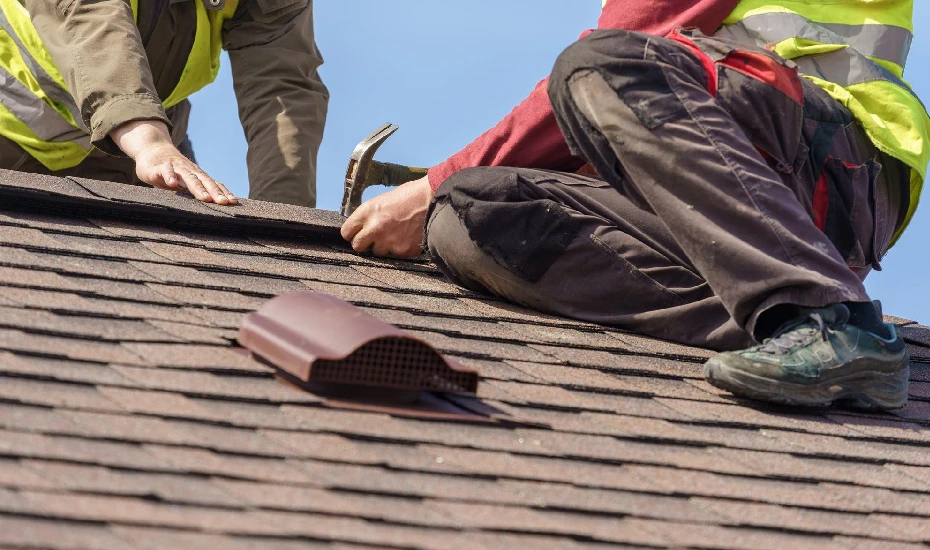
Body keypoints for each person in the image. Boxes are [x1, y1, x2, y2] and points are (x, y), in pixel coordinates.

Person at [342, 0, 929, 410]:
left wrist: (430, 181)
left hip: (830, 164)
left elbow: (611, 70)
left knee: (598, 64)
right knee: (469, 215)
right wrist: (444, 190)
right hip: (743, 210)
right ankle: (782, 328)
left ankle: (828, 319)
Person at [0, 0, 329, 207]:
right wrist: (150, 143)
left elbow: (281, 86)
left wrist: (283, 216)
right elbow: (89, 16)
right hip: (9, 135)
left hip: (127, 157)